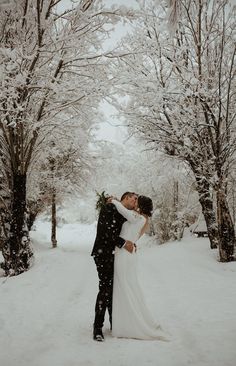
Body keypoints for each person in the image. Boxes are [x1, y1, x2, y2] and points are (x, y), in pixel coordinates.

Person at [111, 195, 166, 340]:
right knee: (127, 286)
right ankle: (125, 322)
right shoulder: (143, 219)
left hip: (124, 255)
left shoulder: (138, 218)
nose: (134, 202)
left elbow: (123, 211)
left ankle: (127, 326)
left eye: (136, 201)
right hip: (128, 254)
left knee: (123, 286)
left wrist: (114, 201)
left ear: (140, 205)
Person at [91, 192, 138, 341]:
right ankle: (97, 327)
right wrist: (124, 244)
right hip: (103, 253)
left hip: (116, 255)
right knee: (105, 289)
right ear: (125, 198)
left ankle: (114, 323)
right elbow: (107, 232)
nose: (136, 201)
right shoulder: (110, 208)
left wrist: (131, 242)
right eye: (134, 198)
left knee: (114, 289)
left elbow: (126, 230)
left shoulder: (124, 213)